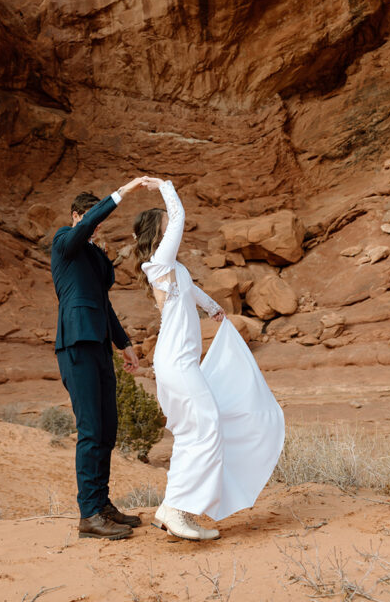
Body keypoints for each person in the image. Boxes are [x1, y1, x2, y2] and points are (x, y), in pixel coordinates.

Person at [133, 176, 285, 541]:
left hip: (181, 362)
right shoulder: (158, 263)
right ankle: (177, 510)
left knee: (193, 432)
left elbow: (192, 288)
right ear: (159, 232)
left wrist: (215, 310)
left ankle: (173, 507)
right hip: (176, 363)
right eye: (168, 227)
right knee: (208, 426)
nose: (175, 230)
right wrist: (164, 186)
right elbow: (180, 215)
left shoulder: (175, 269)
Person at [51, 176, 144, 540]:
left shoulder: (95, 256)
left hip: (100, 343)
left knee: (107, 427)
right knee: (90, 429)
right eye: (87, 217)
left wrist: (124, 344)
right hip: (75, 342)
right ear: (76, 216)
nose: (93, 224)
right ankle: (88, 514)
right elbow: (84, 228)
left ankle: (101, 504)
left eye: (96, 220)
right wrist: (122, 193)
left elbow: (104, 301)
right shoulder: (64, 241)